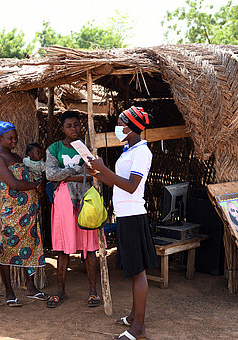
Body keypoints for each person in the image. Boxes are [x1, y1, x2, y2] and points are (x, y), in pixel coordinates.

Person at [88, 106, 156, 340]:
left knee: (138, 272)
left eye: (120, 123)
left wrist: (104, 168)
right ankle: (133, 316)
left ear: (131, 127)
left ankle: (138, 328)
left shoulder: (142, 153)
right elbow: (119, 183)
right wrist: (98, 173)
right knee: (134, 269)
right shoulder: (129, 150)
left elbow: (131, 186)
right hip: (125, 215)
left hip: (134, 215)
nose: (117, 127)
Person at [0, 121, 49, 307]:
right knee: (7, 249)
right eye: (10, 138)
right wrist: (35, 186)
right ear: (0, 138)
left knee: (29, 248)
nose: (15, 140)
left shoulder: (16, 156)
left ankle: (30, 288)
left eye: (16, 137)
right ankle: (9, 292)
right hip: (13, 212)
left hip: (29, 213)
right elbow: (14, 184)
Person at [45, 110, 101, 308]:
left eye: (76, 124)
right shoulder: (54, 148)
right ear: (62, 128)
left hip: (86, 199)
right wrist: (77, 172)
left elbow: (95, 173)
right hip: (64, 200)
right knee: (62, 248)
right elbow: (50, 174)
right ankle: (60, 291)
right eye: (68, 126)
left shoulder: (86, 148)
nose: (73, 129)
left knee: (90, 247)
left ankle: (93, 291)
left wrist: (66, 175)